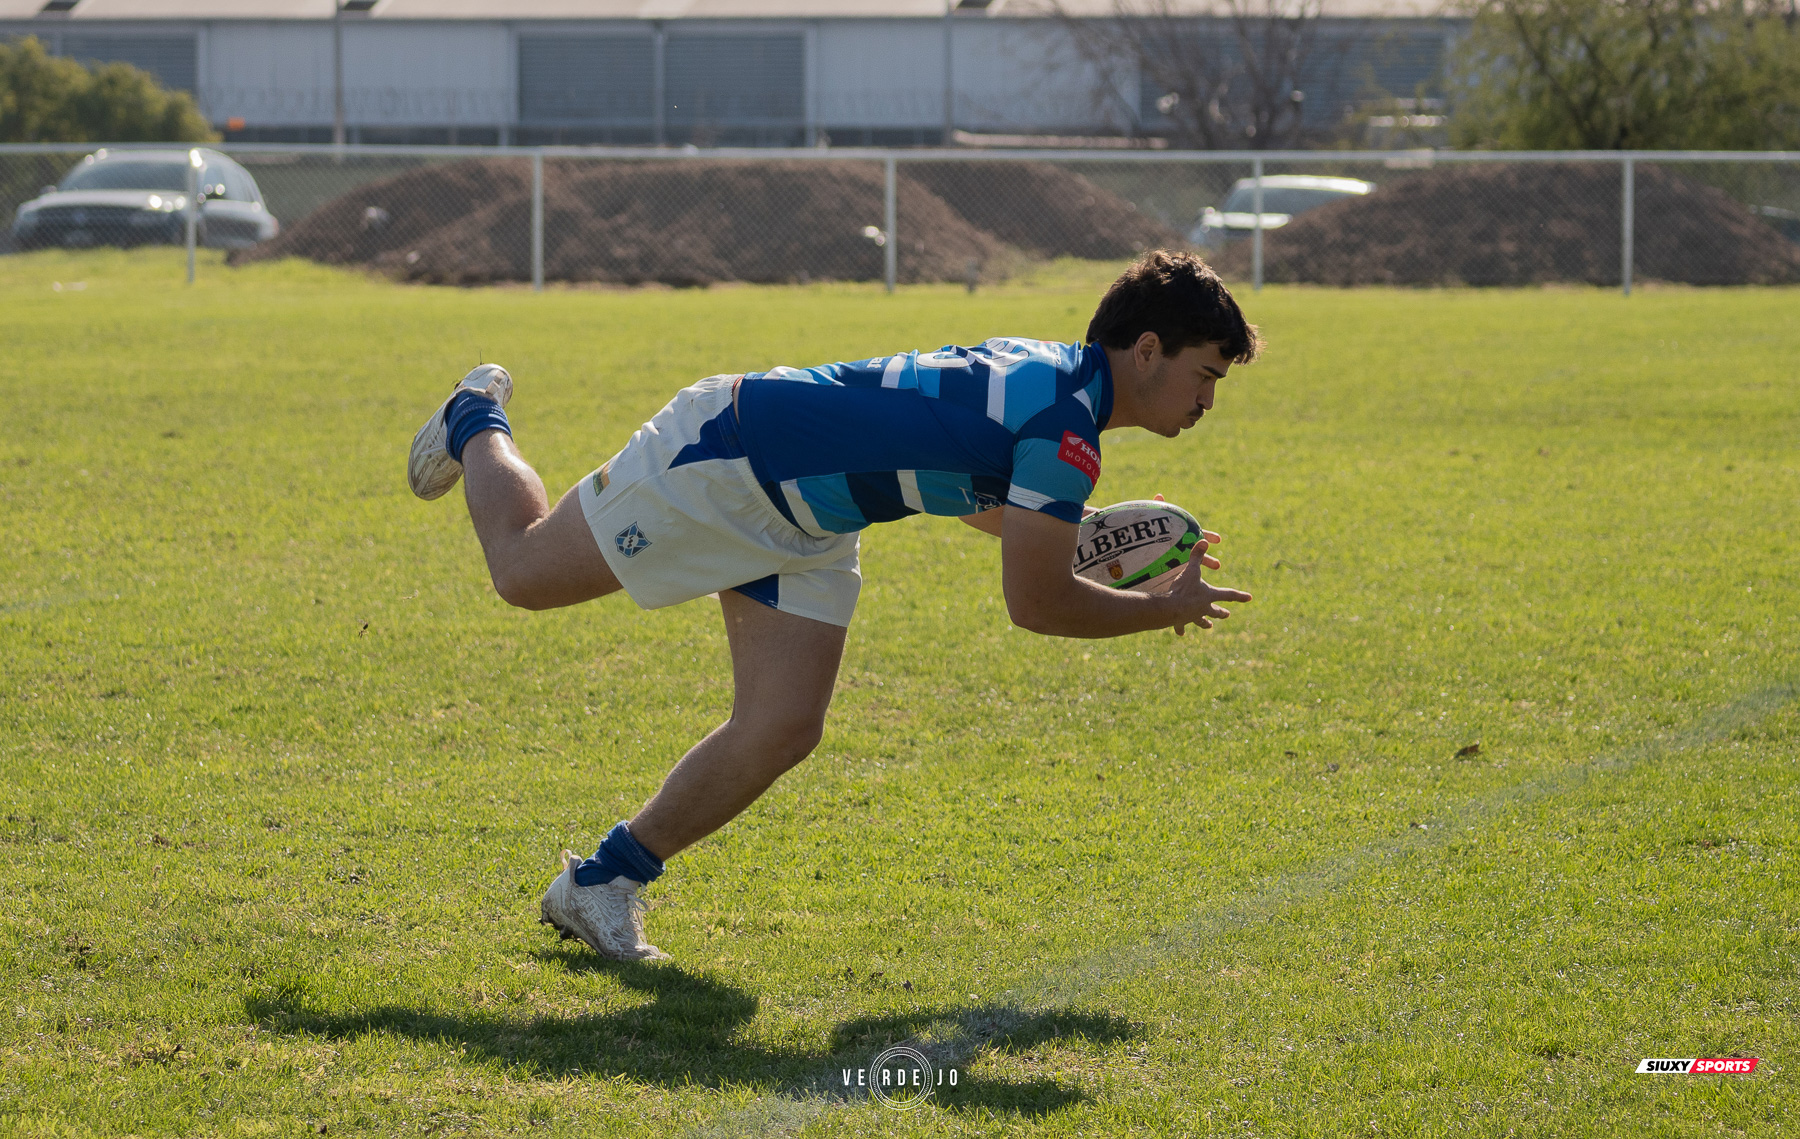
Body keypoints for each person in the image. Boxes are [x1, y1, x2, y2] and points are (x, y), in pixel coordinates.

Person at [406, 250, 1259, 961]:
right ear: (1147, 349)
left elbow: (954, 483)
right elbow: (1033, 604)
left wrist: (1068, 535)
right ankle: (476, 414)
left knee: (782, 724)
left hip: (810, 516)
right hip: (730, 460)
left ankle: (600, 884)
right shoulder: (1065, 426)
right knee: (521, 571)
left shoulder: (1054, 383)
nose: (1209, 402)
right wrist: (1160, 608)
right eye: (1205, 375)